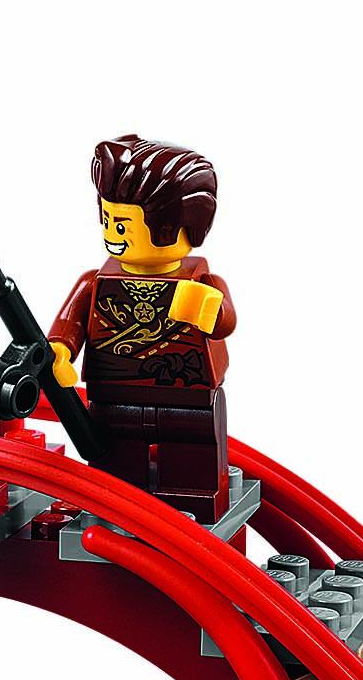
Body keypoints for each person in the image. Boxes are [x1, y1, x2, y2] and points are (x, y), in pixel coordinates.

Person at [48, 135, 236, 521]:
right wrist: (60, 350)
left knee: (192, 458)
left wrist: (209, 310)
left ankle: (192, 505)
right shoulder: (96, 282)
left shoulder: (200, 284)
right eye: (108, 221)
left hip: (188, 398)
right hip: (113, 397)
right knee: (116, 467)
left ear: (177, 226)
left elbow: (225, 321)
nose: (112, 235)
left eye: (123, 225)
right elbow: (70, 323)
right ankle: (116, 505)